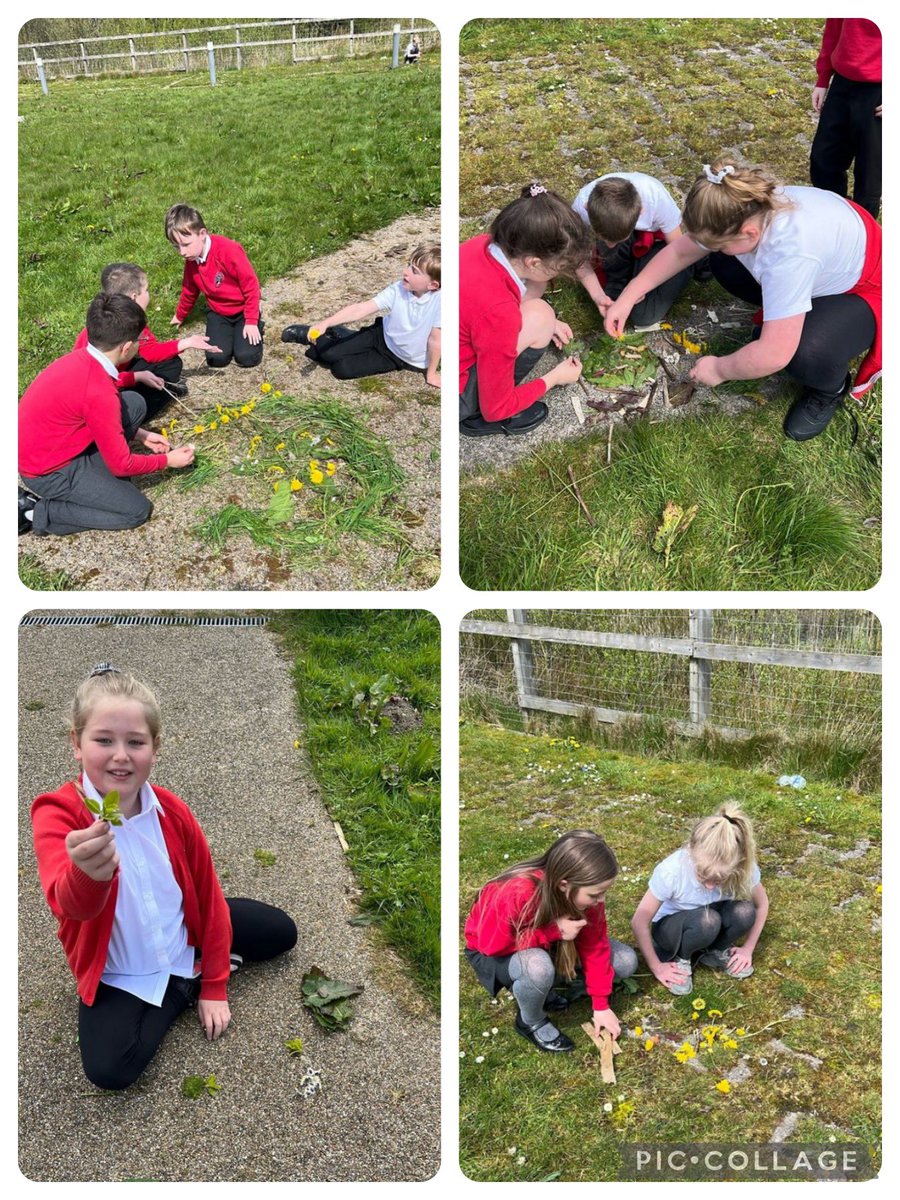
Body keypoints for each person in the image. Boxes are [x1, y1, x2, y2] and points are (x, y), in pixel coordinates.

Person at [30, 664, 298, 1091]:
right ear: (76, 744)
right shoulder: (58, 813)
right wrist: (88, 875)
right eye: (103, 740)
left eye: (135, 742)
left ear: (154, 749)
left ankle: (197, 970)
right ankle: (180, 987)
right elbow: (69, 905)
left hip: (181, 933)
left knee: (282, 932)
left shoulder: (172, 810)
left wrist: (215, 986)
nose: (121, 755)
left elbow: (208, 894)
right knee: (109, 1070)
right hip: (121, 969)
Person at [604, 159, 881, 441]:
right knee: (723, 262)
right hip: (829, 258)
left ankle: (831, 388)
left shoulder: (789, 256)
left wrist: (720, 369)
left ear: (750, 233)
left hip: (868, 284)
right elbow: (681, 251)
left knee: (804, 352)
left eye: (721, 243)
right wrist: (630, 294)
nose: (714, 247)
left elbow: (775, 355)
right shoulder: (740, 206)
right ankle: (790, 314)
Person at [18, 293, 195, 536]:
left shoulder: (84, 357)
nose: (140, 344)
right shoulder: (99, 392)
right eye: (139, 340)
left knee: (133, 403)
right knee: (136, 510)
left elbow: (93, 406)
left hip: (50, 444)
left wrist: (141, 435)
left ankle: (97, 476)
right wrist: (167, 461)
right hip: (48, 471)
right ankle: (37, 512)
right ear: (126, 348)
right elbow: (122, 465)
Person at [464, 830, 637, 1053]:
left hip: (552, 945)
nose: (600, 900)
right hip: (497, 953)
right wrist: (553, 932)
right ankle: (530, 1019)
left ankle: (546, 986)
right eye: (595, 895)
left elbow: (595, 946)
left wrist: (600, 1004)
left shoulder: (587, 897)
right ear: (564, 885)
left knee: (625, 961)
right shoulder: (517, 893)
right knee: (538, 968)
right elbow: (492, 946)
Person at [459, 183, 591, 437]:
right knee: (541, 314)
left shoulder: (481, 244)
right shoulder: (500, 314)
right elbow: (496, 408)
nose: (559, 273)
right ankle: (472, 415)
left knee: (541, 306)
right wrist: (555, 377)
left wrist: (549, 323)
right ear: (534, 262)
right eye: (558, 267)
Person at [630, 804, 769, 997]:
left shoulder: (745, 868)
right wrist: (657, 967)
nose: (710, 886)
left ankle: (715, 951)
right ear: (691, 851)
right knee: (708, 920)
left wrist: (748, 949)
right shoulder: (672, 870)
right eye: (703, 875)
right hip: (673, 929)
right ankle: (680, 958)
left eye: (720, 879)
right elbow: (639, 921)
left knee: (745, 911)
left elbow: (762, 905)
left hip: (711, 919)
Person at [72, 262, 221, 420]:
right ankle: (134, 414)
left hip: (116, 375)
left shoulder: (126, 316)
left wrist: (186, 342)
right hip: (100, 391)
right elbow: (99, 383)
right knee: (137, 400)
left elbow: (149, 350)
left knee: (172, 363)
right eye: (146, 290)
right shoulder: (106, 335)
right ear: (134, 297)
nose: (149, 294)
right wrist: (136, 377)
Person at [281, 242, 441, 387]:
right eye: (408, 265)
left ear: (432, 285)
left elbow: (435, 340)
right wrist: (325, 323)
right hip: (380, 334)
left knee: (341, 369)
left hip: (396, 356)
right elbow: (362, 308)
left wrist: (431, 373)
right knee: (329, 353)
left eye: (415, 271)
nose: (406, 272)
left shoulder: (440, 304)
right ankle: (311, 334)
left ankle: (343, 334)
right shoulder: (399, 288)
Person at [572, 171, 692, 327]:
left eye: (616, 240)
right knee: (614, 297)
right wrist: (598, 296)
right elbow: (578, 259)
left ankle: (698, 261)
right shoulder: (580, 207)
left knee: (643, 315)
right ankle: (623, 275)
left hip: (655, 240)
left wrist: (640, 288)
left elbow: (677, 251)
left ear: (641, 211)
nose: (610, 245)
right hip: (629, 240)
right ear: (587, 208)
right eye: (603, 238)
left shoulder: (656, 199)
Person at [166, 203, 263, 369]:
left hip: (242, 310)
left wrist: (251, 321)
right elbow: (189, 290)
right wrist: (180, 315)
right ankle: (229, 333)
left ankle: (255, 323)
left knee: (247, 357)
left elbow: (251, 286)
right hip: (219, 312)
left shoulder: (229, 250)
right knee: (216, 358)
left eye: (186, 244)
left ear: (202, 234)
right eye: (177, 247)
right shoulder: (192, 260)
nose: (182, 252)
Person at [809, 19, 881, 219]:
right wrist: (823, 78)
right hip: (843, 81)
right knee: (823, 160)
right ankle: (833, 219)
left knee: (869, 176)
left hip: (880, 90)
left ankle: (864, 230)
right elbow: (834, 26)